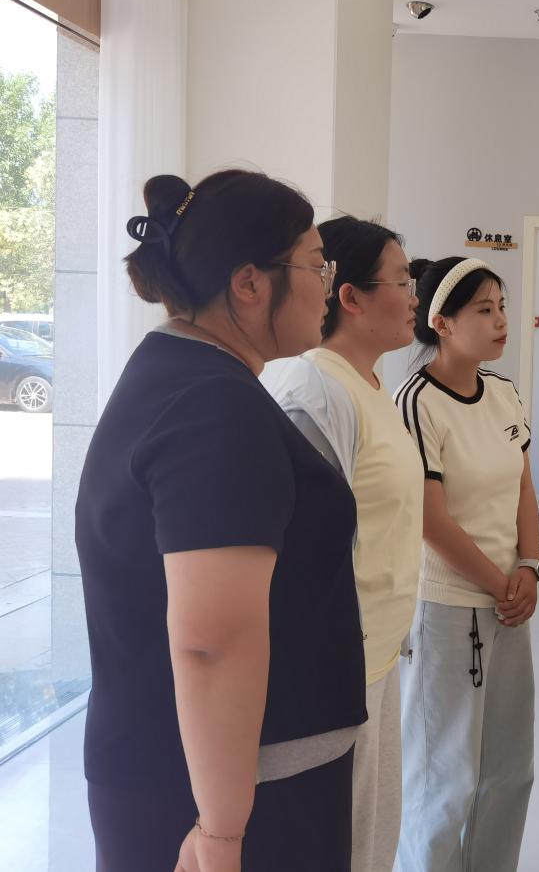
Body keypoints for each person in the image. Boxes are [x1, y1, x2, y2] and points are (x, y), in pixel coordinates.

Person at [76, 171, 366, 872]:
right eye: (317, 266)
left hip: (213, 771)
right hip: (223, 792)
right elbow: (212, 643)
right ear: (249, 284)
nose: (327, 286)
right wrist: (221, 830)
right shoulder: (214, 407)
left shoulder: (183, 375)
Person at [267, 216, 425, 872]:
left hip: (377, 656)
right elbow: (298, 556)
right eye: (402, 281)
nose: (415, 296)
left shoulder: (371, 384)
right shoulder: (315, 391)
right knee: (343, 847)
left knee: (373, 842)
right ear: (351, 297)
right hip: (335, 674)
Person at [394, 257, 539, 872]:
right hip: (450, 608)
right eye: (484, 310)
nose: (501, 321)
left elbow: (523, 487)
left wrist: (529, 566)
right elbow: (431, 522)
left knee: (510, 770)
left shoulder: (504, 392)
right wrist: (501, 583)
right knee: (444, 780)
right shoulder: (417, 401)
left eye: (501, 306)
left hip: (508, 605)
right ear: (443, 323)